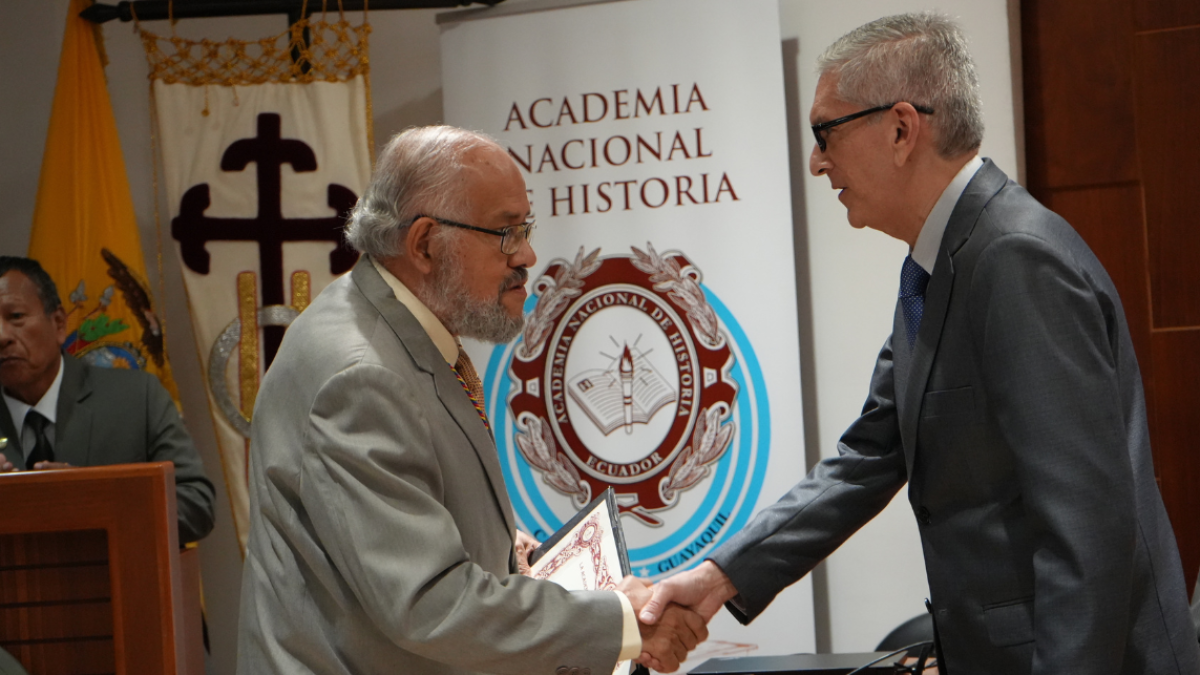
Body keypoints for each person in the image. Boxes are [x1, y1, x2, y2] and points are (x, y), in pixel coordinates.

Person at [639, 12, 1200, 675]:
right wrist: (718, 577)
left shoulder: (1016, 259)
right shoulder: (937, 262)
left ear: (902, 128)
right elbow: (871, 452)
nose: (818, 161)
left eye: (826, 133)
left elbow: (1086, 530)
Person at [236, 125, 706, 675]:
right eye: (505, 233)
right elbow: (427, 602)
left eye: (525, 228)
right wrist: (624, 621)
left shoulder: (390, 324)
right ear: (426, 244)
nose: (527, 254)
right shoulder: (361, 376)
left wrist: (503, 550)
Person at [0, 257, 215, 544]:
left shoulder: (137, 398)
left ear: (59, 323)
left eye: (15, 317)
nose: (2, 336)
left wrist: (96, 499)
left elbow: (197, 505)